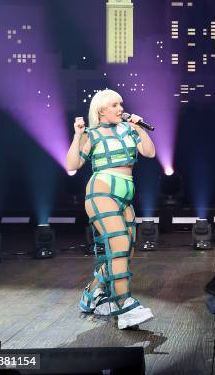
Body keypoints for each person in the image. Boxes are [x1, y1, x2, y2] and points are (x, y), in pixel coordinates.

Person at [66, 89, 157, 329]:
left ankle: (92, 294)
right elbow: (72, 164)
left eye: (121, 104)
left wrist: (139, 127)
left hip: (125, 194)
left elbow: (149, 152)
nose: (120, 108)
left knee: (125, 251)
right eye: (115, 105)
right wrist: (77, 136)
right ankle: (124, 305)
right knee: (119, 245)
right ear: (101, 110)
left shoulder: (129, 129)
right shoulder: (91, 134)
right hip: (102, 191)